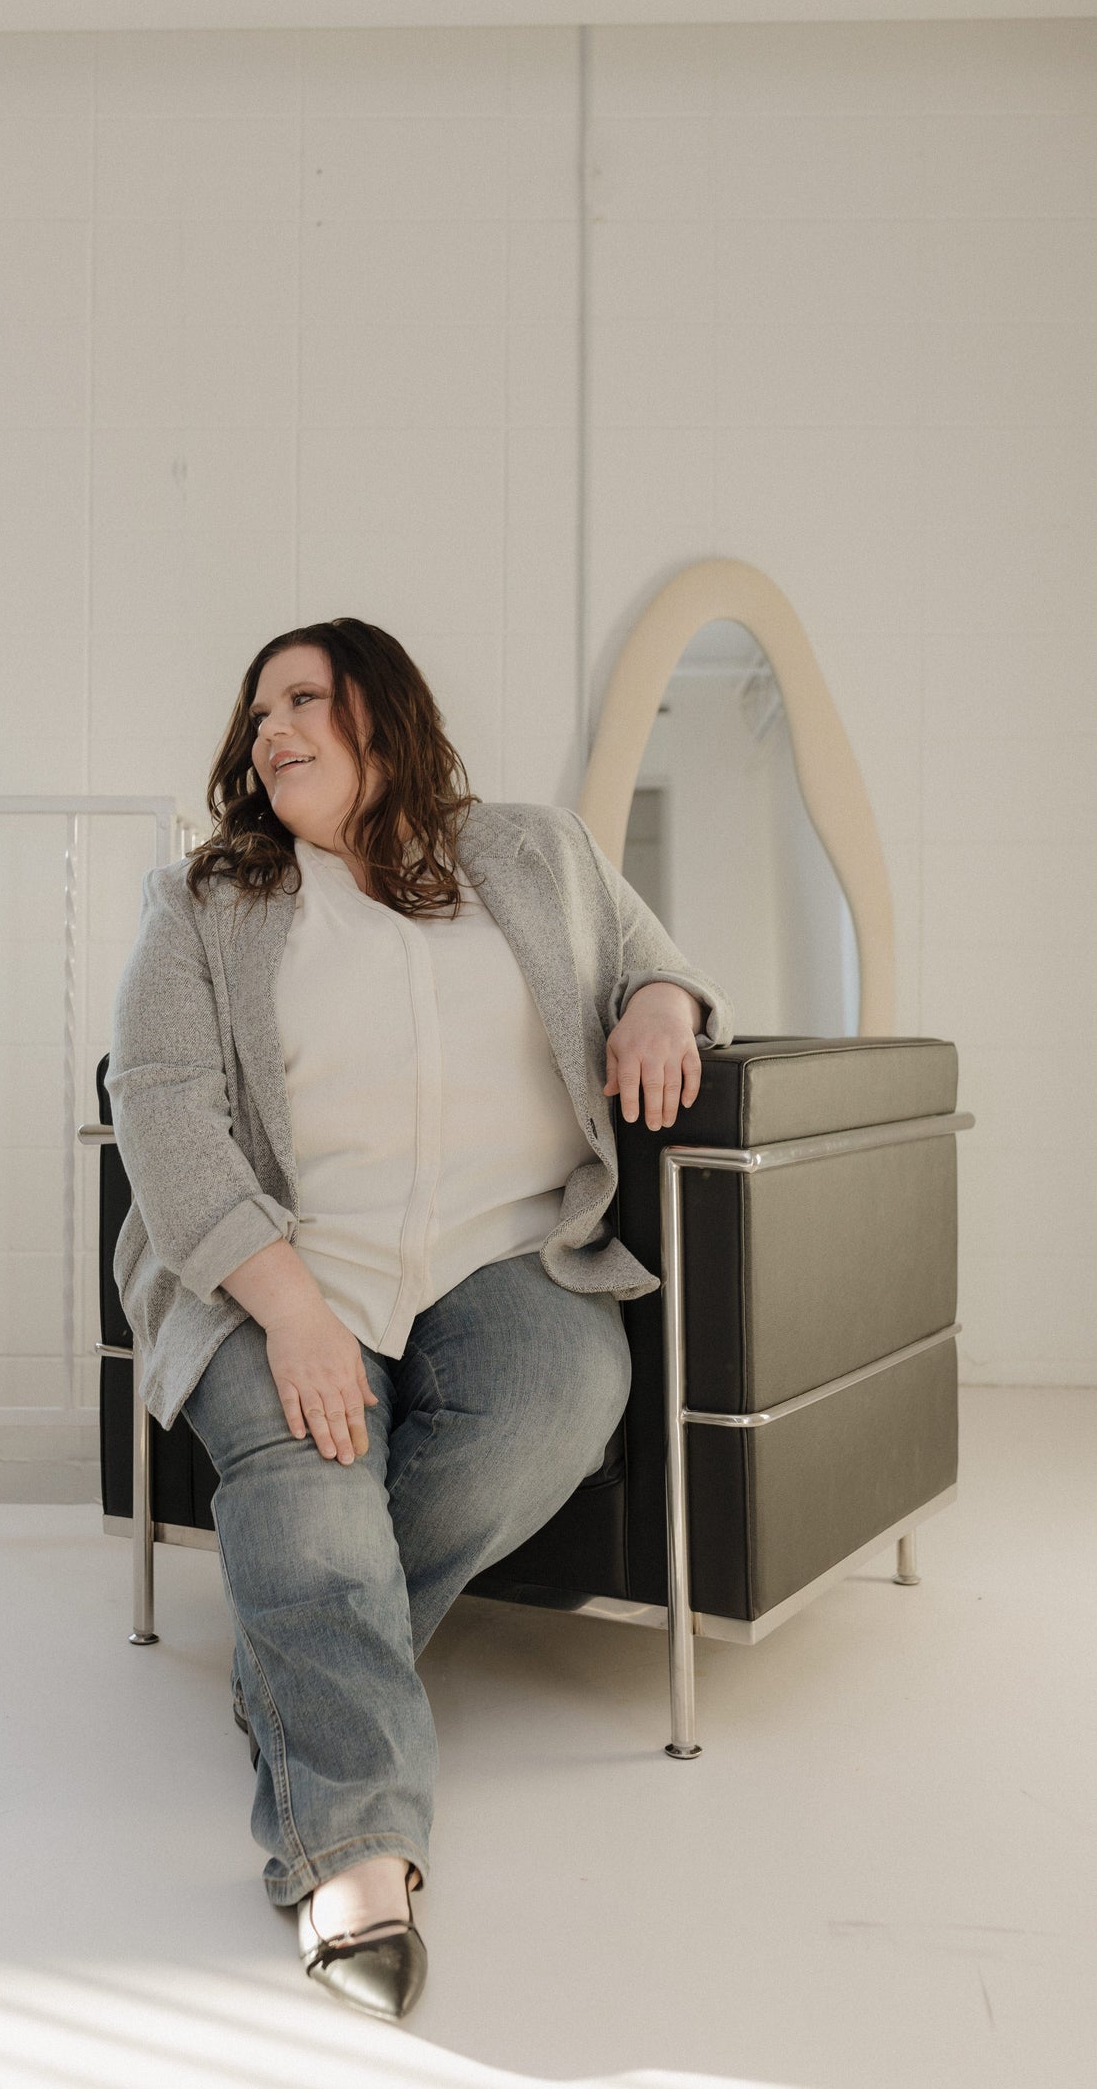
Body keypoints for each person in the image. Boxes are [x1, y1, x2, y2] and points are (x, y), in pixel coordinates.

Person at [107, 617, 734, 2025]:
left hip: (502, 1252)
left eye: (304, 700)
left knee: (559, 1403)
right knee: (309, 1477)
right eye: (256, 709)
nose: (270, 728)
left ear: (384, 718)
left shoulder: (530, 854)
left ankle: (299, 1662)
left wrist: (658, 1003)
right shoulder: (202, 903)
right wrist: (290, 1315)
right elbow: (161, 1114)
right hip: (276, 1260)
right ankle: (355, 1852)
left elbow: (657, 959)